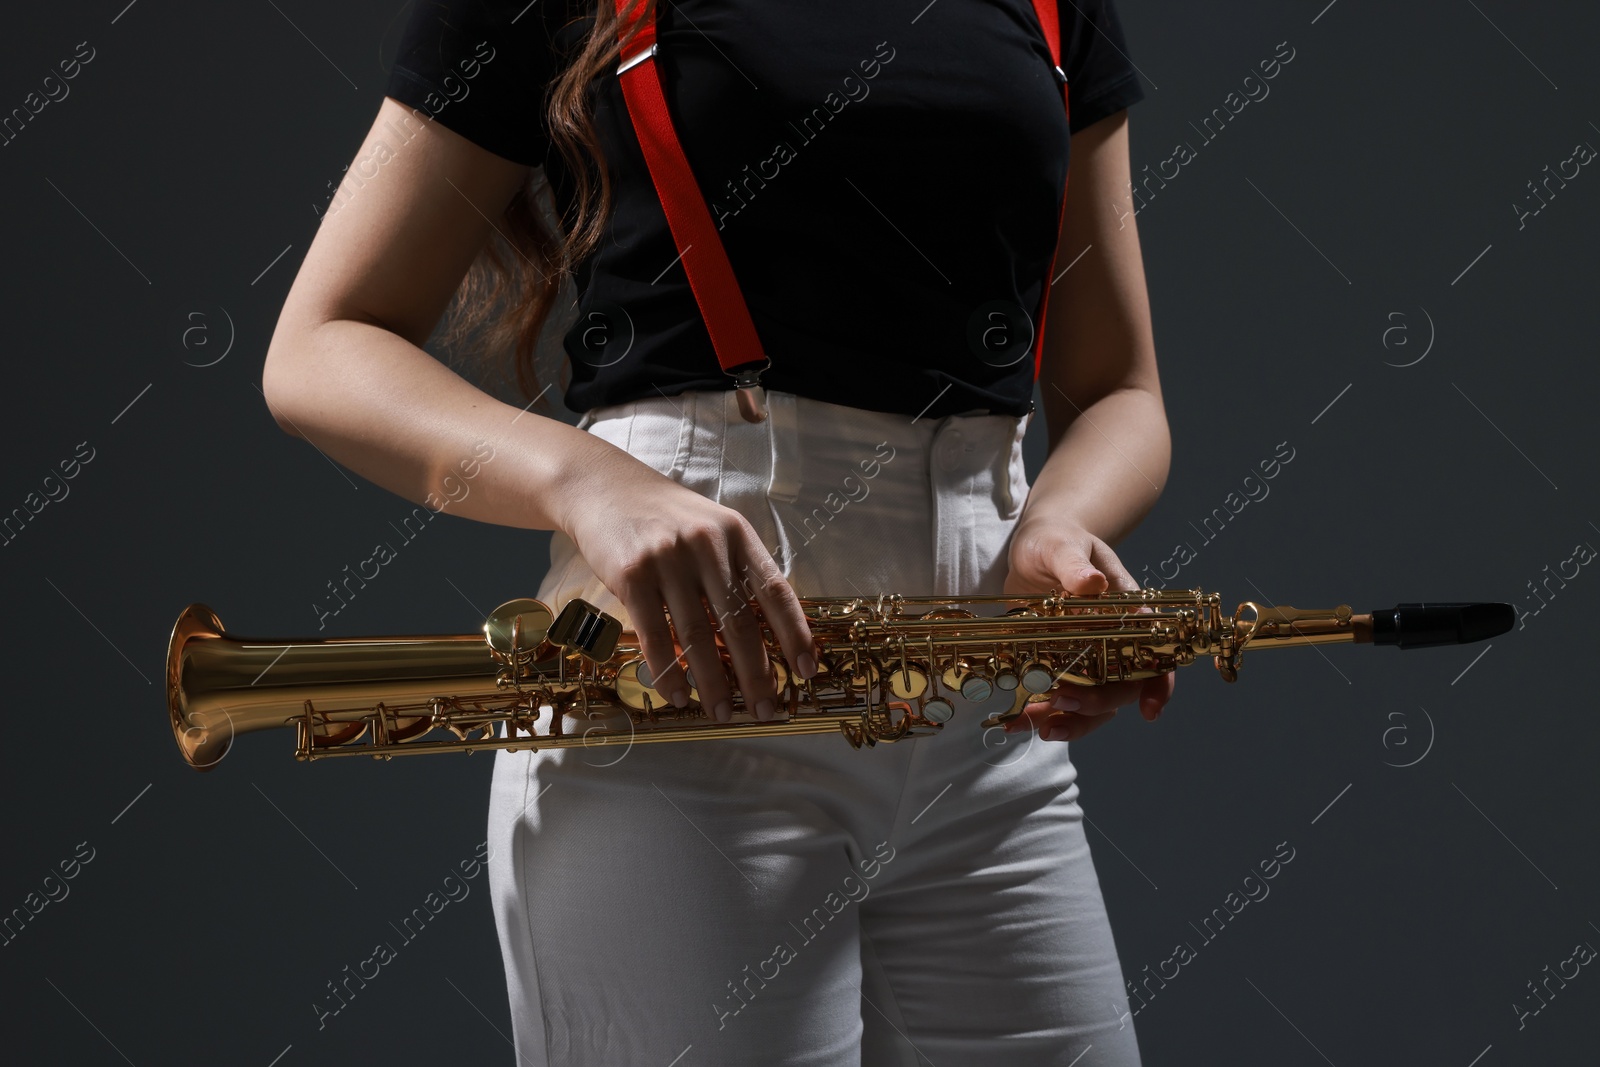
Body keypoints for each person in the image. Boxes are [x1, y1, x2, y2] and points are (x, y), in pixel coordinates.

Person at [263, 0, 1174, 1062]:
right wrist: (586, 479)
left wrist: (1056, 527)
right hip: (679, 699)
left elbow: (1121, 387)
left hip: (986, 730)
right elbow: (318, 346)